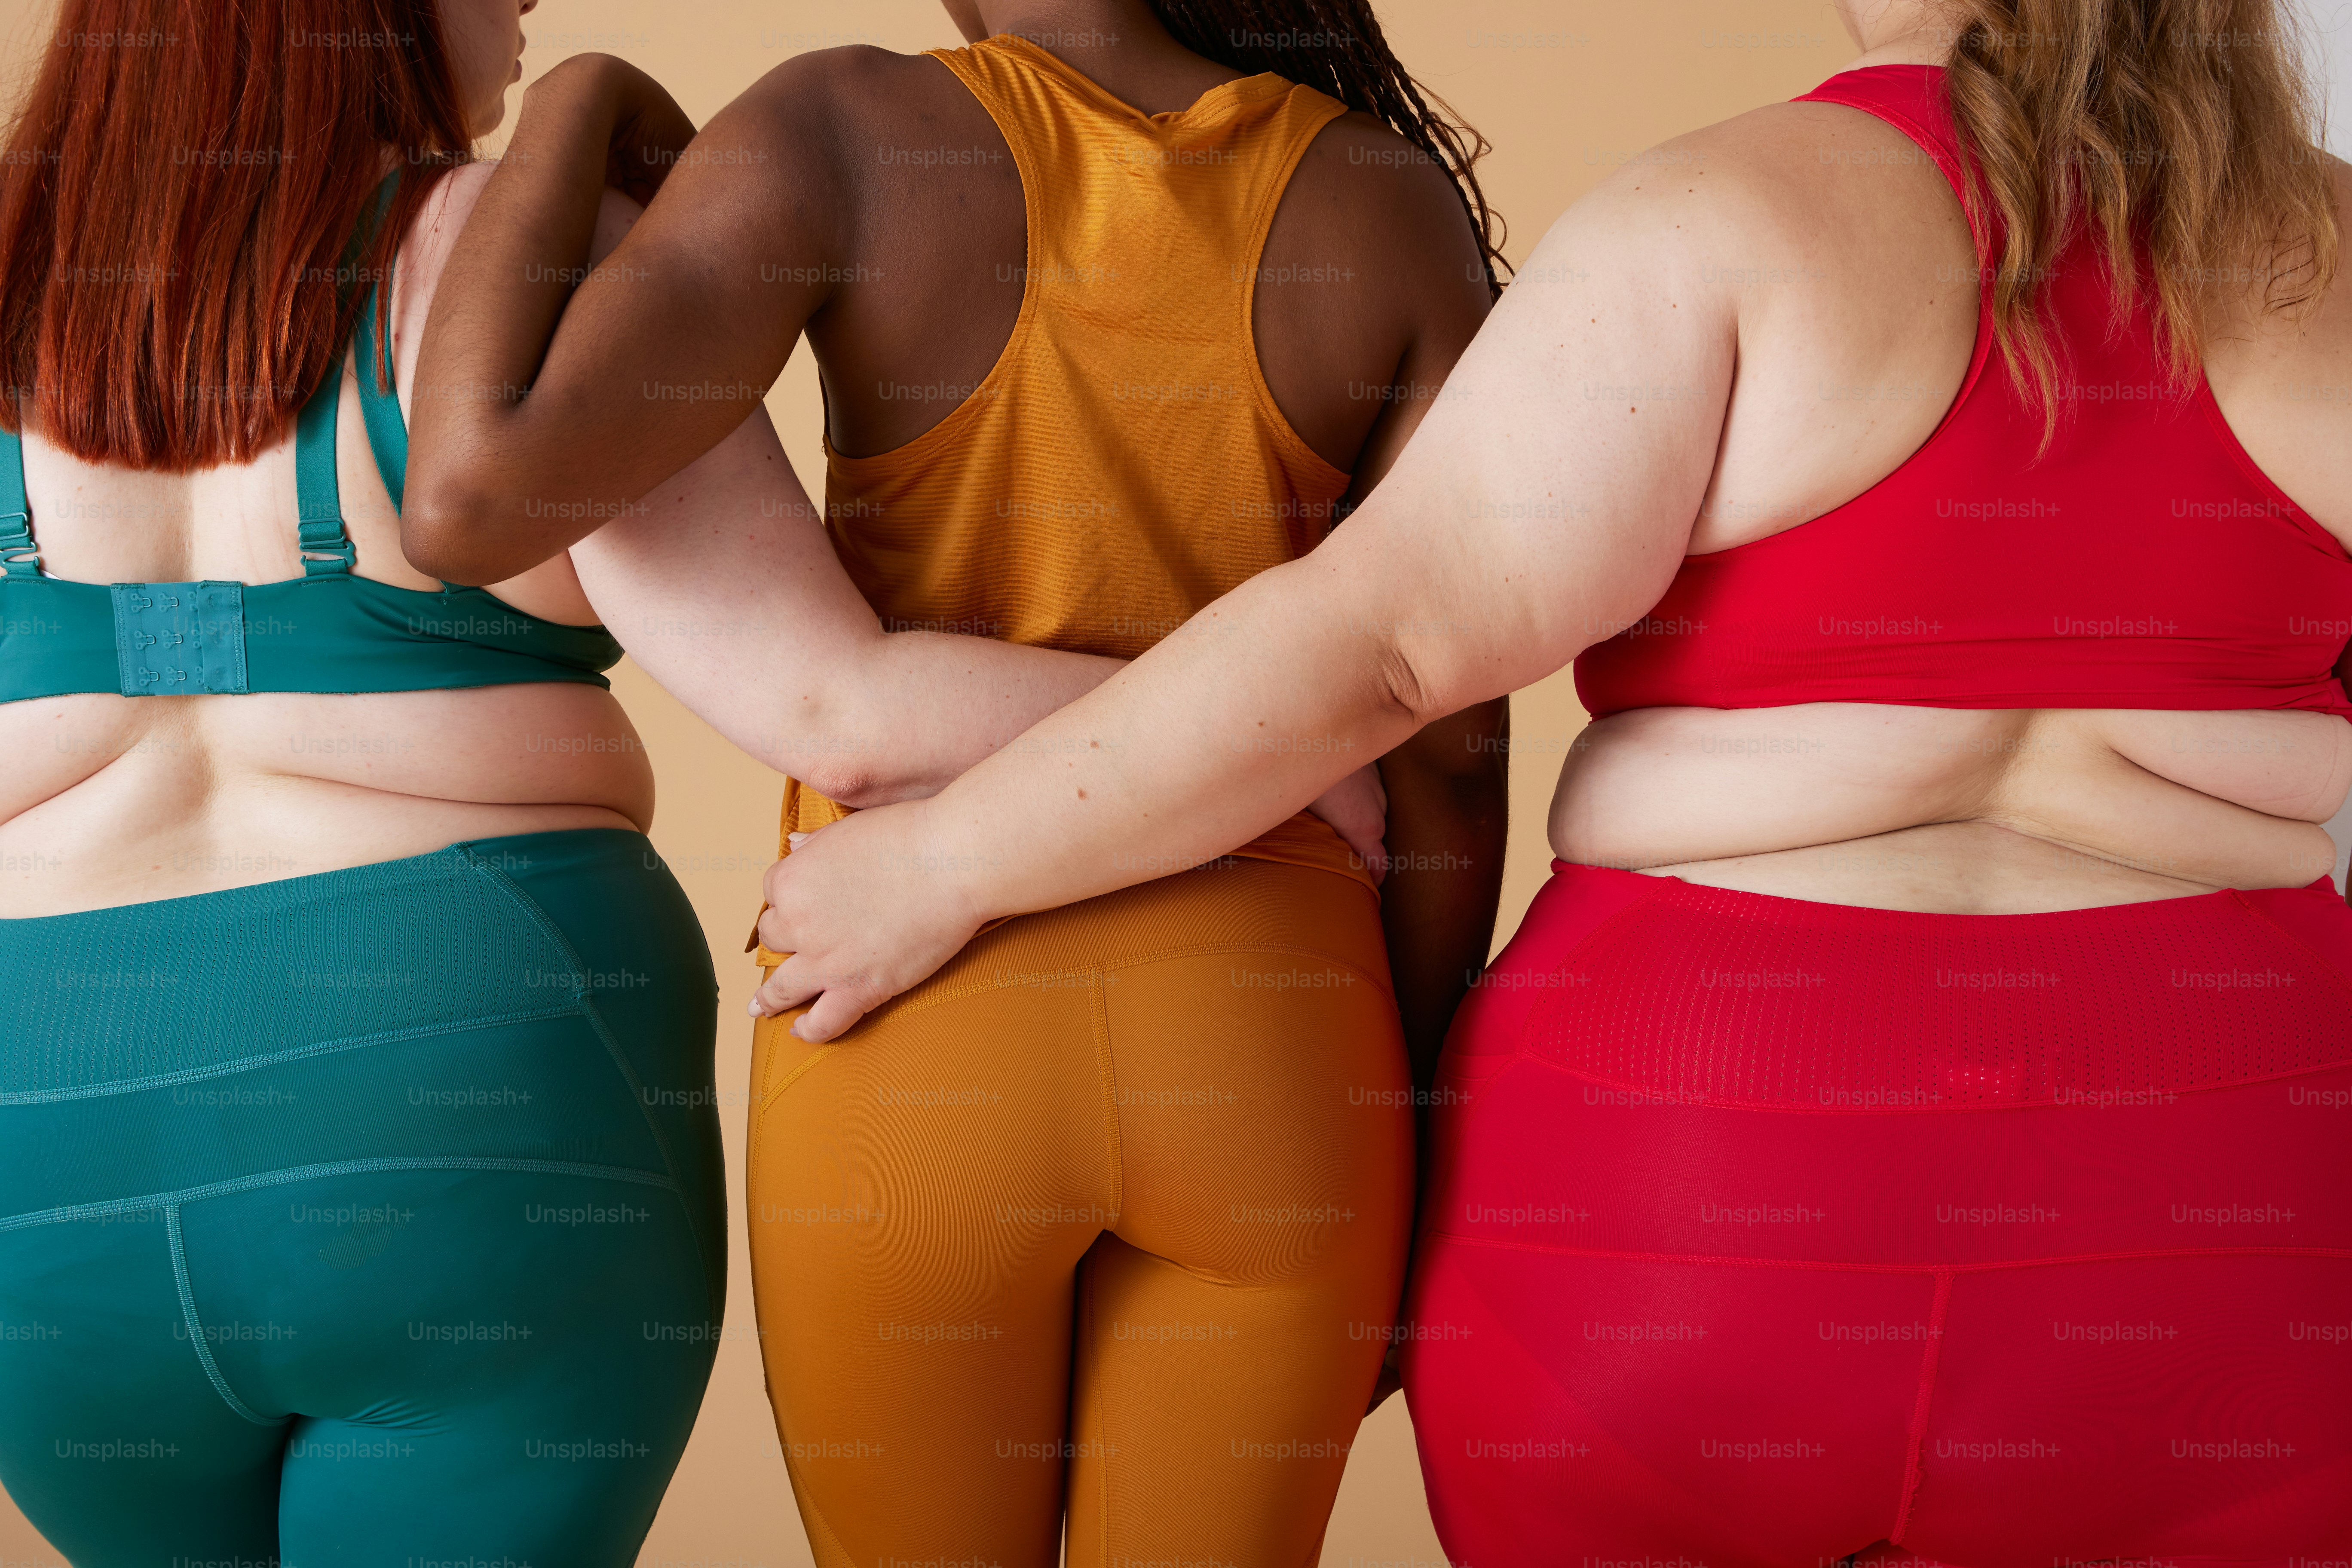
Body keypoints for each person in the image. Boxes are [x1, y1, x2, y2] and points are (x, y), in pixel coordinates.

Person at [741, 0, 2352, 1561]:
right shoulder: (2330, 261)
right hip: (2244, 1223)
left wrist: (949, 862)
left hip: (1682, 1196)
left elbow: (1379, 653)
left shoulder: (1721, 214)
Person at [0, 0, 1272, 1561]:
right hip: (461, 1115)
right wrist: (1273, 728)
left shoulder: (12, 295)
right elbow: (845, 709)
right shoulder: (517, 271)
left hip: (39, 1169)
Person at [403, 0, 1511, 1559]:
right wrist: (1385, 1125)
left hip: (906, 1014)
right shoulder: (1385, 200)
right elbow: (1455, 763)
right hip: (1272, 1040)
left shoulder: (842, 131)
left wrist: (585, 99)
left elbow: (470, 495)